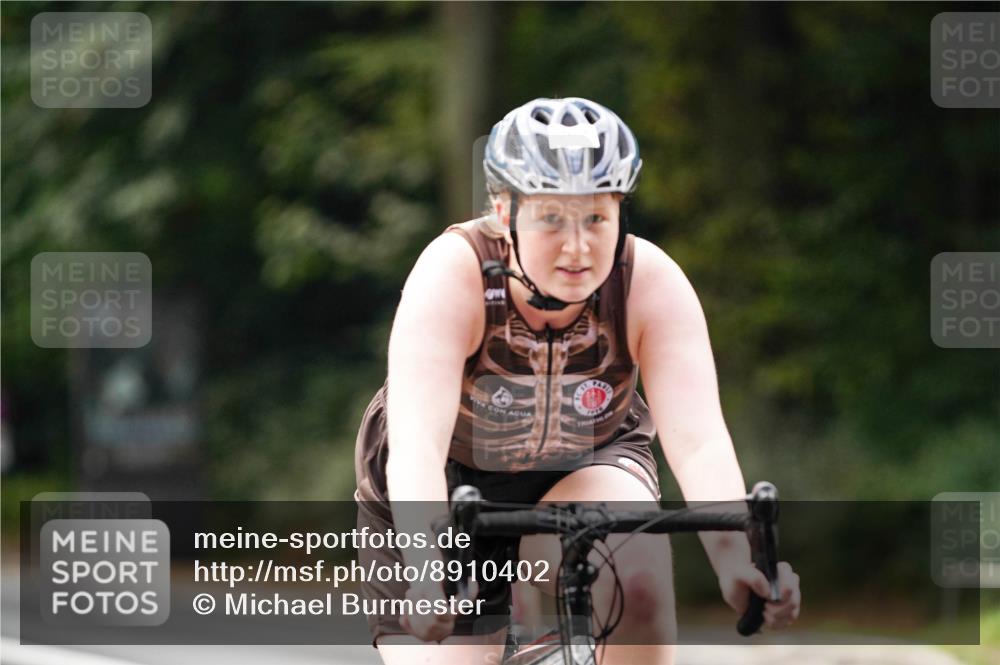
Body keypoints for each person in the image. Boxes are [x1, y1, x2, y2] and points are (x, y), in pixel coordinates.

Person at [354, 97, 801, 665]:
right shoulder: (454, 275)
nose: (578, 246)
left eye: (596, 218)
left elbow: (699, 440)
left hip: (584, 463)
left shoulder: (648, 284)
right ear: (503, 210)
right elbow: (417, 447)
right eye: (551, 219)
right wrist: (424, 577)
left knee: (636, 580)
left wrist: (737, 561)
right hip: (444, 481)